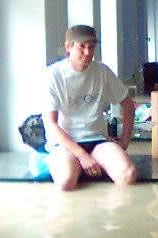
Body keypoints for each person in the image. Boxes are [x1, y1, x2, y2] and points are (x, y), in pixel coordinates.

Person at [43, 25, 137, 190]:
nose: (88, 52)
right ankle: (77, 167)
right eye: (82, 46)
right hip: (66, 144)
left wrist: (124, 142)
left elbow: (128, 105)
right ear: (68, 46)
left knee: (128, 175)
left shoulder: (102, 71)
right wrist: (82, 155)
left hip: (97, 140)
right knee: (66, 182)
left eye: (92, 46)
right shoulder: (53, 75)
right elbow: (51, 123)